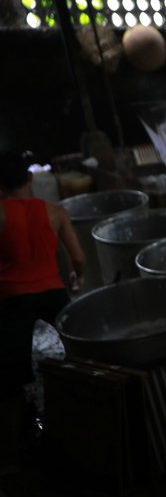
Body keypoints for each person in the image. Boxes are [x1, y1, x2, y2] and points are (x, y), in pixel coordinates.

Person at [0, 150, 85, 471]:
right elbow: (78, 257)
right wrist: (78, 275)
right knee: (77, 358)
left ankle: (10, 458)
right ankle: (85, 414)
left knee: (10, 377)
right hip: (53, 294)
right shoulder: (55, 212)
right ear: (31, 178)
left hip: (11, 299)